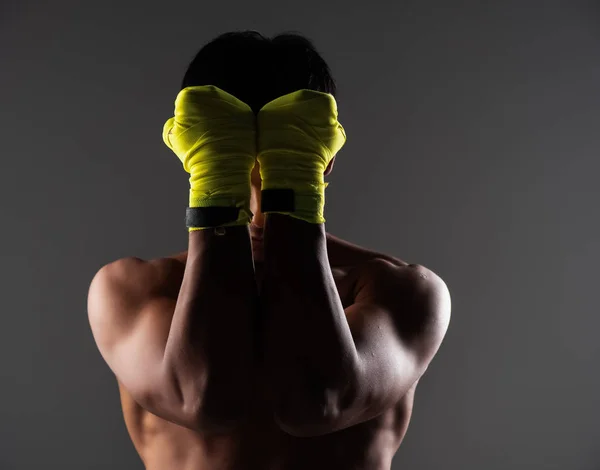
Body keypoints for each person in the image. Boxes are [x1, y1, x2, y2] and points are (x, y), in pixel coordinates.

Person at [87, 30, 451, 470]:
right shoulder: (133, 289)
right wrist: (225, 182)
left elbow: (317, 401)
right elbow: (205, 399)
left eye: (277, 163)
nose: (258, 202)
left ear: (324, 159)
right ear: (194, 156)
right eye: (236, 162)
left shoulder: (404, 293)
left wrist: (290, 184)